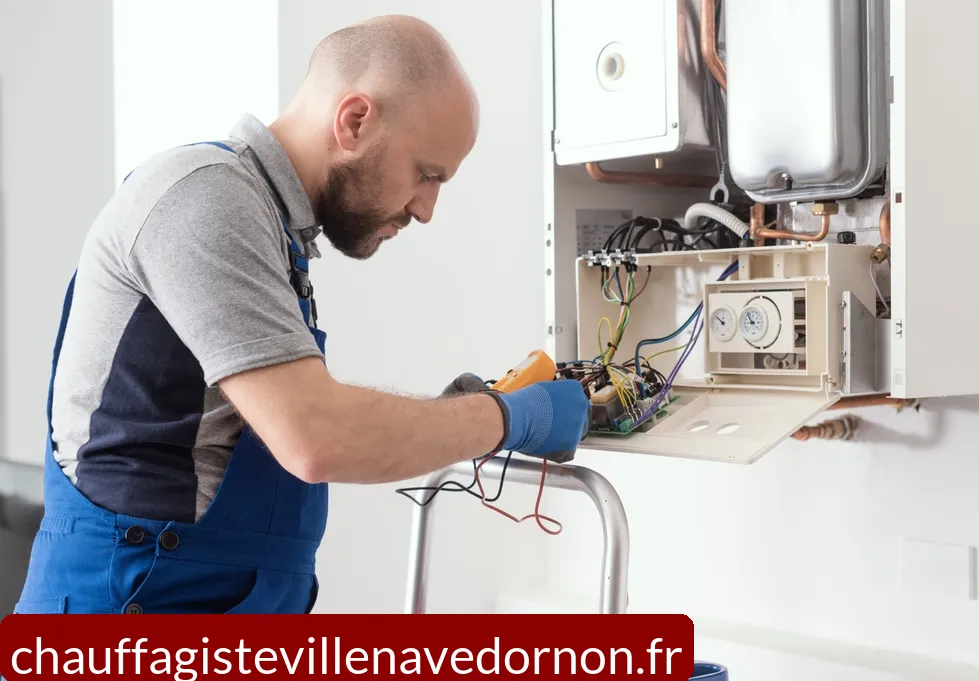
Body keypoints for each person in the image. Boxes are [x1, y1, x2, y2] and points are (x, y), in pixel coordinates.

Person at [13, 15, 590, 615]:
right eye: (426, 174)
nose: (426, 209)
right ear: (355, 121)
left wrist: (457, 418)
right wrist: (506, 418)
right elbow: (315, 435)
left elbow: (300, 422)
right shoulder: (206, 197)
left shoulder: (271, 229)